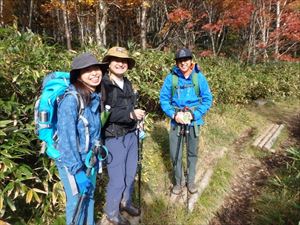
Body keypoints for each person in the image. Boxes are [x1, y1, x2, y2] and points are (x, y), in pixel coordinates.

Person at [55, 52, 108, 225]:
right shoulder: (71, 101)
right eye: (88, 70)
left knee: (89, 196)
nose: (94, 73)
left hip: (89, 159)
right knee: (77, 200)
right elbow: (66, 140)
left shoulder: (94, 97)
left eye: (96, 69)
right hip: (72, 163)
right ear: (78, 75)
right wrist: (77, 172)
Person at [101, 46, 145, 225]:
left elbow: (130, 107)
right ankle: (111, 212)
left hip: (131, 134)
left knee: (130, 173)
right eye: (116, 60)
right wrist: (130, 115)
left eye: (124, 61)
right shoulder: (103, 85)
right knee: (117, 179)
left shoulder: (127, 83)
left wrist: (138, 119)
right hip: (114, 137)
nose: (120, 64)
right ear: (108, 63)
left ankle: (125, 202)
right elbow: (104, 113)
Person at [159, 48, 213, 195]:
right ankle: (179, 182)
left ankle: (191, 181)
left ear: (191, 61)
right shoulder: (171, 78)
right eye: (180, 61)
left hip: (194, 121)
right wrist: (173, 115)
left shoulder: (198, 77)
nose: (183, 63)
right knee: (175, 153)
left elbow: (208, 99)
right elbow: (163, 99)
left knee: (192, 153)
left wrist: (195, 115)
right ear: (177, 63)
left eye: (186, 60)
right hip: (176, 120)